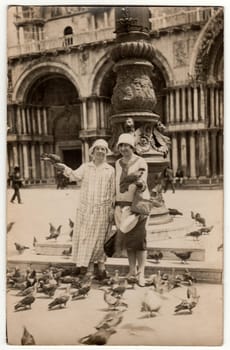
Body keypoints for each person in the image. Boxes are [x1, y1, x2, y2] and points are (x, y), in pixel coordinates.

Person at [54, 139, 115, 278]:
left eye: (103, 149)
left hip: (102, 210)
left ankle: (100, 267)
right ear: (92, 152)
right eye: (97, 149)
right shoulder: (86, 167)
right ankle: (86, 266)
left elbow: (112, 192)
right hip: (86, 209)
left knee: (100, 239)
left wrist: (112, 209)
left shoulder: (110, 170)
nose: (100, 151)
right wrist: (64, 167)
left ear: (106, 153)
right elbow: (74, 175)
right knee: (85, 237)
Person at [114, 133, 150, 287]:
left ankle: (141, 274)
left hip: (138, 205)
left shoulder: (141, 161)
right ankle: (131, 271)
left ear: (132, 147)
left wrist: (140, 183)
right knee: (129, 241)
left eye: (126, 145)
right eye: (121, 146)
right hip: (122, 206)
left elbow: (143, 181)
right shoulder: (117, 163)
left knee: (140, 241)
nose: (123, 149)